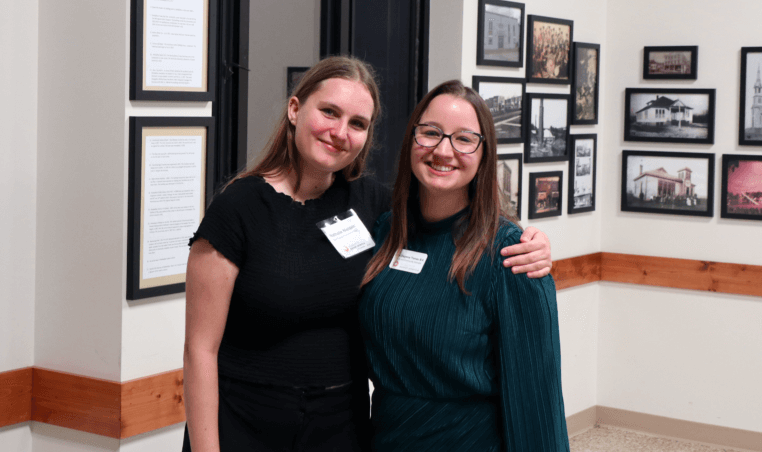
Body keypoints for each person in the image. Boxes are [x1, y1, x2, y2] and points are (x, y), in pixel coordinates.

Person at [182, 57, 554, 452]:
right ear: (294, 110)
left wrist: (536, 244)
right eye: (329, 112)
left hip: (343, 428)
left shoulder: (373, 207)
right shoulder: (239, 207)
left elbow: (450, 219)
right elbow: (199, 349)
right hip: (248, 422)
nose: (339, 132)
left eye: (357, 123)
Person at [359, 80, 570, 451]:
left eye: (464, 139)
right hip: (387, 436)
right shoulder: (385, 230)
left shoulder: (510, 254)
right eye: (431, 133)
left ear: (484, 152)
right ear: (412, 139)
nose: (443, 150)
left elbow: (537, 396)